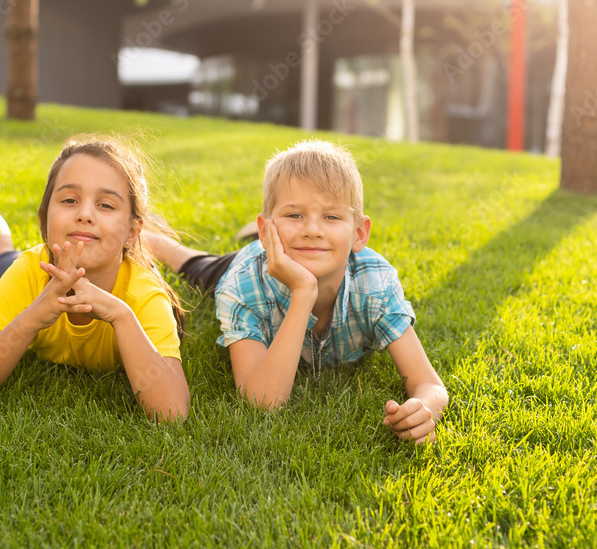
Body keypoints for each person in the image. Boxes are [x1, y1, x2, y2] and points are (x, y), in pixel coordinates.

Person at [145, 139, 447, 443]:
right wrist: (304, 292)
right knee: (194, 266)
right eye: (295, 215)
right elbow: (262, 403)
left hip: (284, 248)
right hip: (249, 265)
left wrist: (424, 410)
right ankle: (151, 235)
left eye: (331, 217)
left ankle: (272, 223)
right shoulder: (242, 284)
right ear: (267, 232)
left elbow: (430, 386)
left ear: (359, 234)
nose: (312, 230)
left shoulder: (375, 284)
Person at [0, 134, 190, 422]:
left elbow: (171, 414)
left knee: (130, 246)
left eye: (106, 205)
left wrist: (121, 315)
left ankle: (139, 231)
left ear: (134, 231)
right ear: (44, 219)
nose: (84, 214)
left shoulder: (143, 294)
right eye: (70, 200)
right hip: (45, 268)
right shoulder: (30, 272)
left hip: (131, 260)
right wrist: (32, 317)